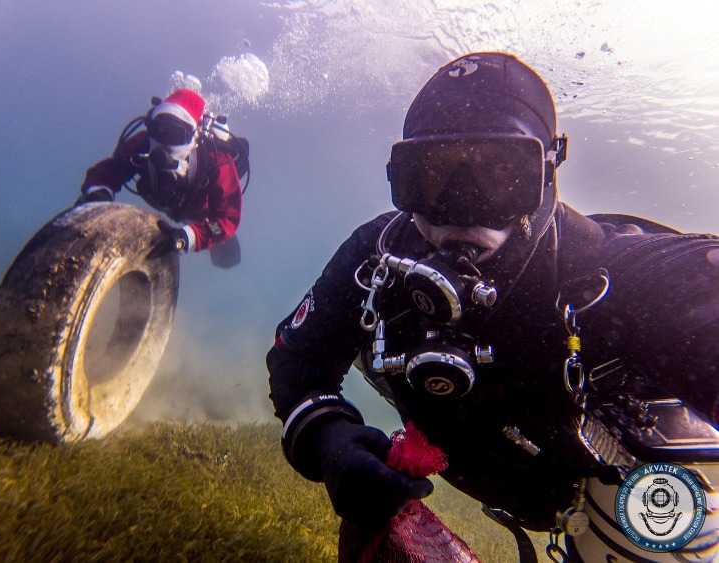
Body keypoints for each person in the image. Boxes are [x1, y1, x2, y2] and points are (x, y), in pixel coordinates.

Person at [267, 52, 719, 561]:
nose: (461, 207)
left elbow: (696, 292)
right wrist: (328, 439)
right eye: (431, 175)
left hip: (617, 487)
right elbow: (297, 360)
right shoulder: (376, 261)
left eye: (502, 173)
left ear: (547, 173)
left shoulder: (607, 275)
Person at [77, 88, 246, 257]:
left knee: (224, 249)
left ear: (194, 135)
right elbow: (107, 171)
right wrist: (97, 195)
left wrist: (187, 237)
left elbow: (228, 218)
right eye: (158, 130)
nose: (164, 141)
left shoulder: (216, 159)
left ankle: (223, 249)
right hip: (166, 202)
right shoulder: (142, 143)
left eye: (176, 134)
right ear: (150, 127)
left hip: (200, 210)